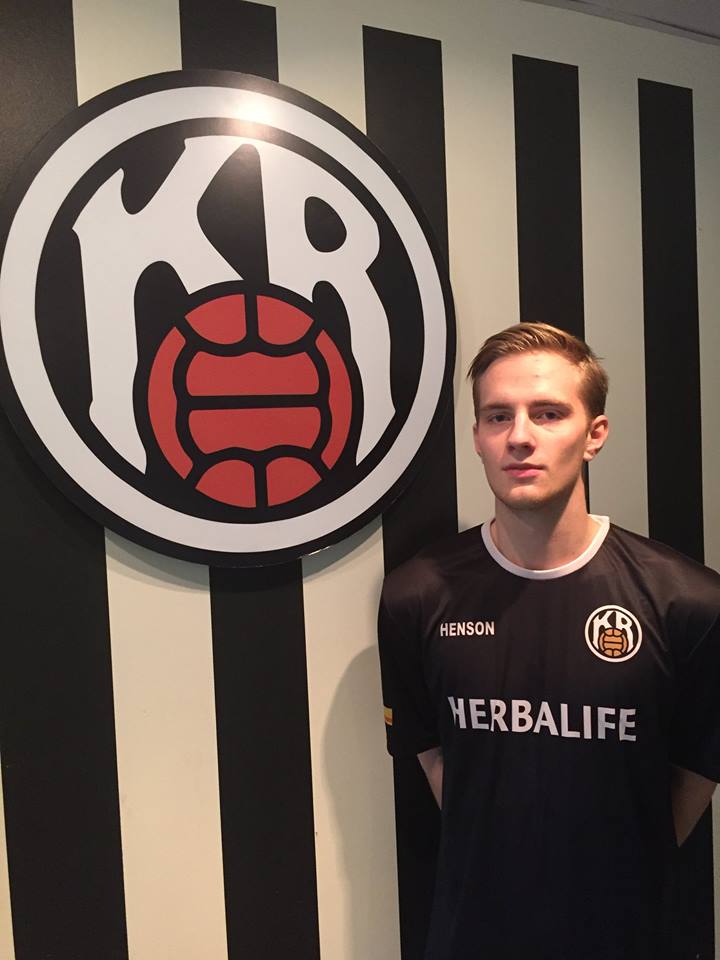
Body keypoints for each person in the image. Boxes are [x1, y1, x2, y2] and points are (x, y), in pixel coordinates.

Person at [377, 322, 720, 960]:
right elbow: (436, 762)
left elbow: (694, 777)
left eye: (548, 413)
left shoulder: (691, 602)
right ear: (477, 438)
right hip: (472, 938)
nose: (520, 436)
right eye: (498, 416)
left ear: (595, 435)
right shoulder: (414, 598)